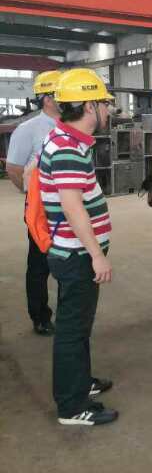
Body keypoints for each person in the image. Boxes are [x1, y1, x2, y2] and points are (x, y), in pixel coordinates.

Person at [39, 68, 117, 426]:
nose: (108, 110)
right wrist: (97, 255)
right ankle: (72, 406)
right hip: (76, 254)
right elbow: (72, 208)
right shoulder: (67, 147)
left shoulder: (67, 140)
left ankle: (80, 382)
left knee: (80, 325)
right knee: (72, 330)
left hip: (74, 251)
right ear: (89, 106)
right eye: (104, 103)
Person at [6, 70, 61, 336]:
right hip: (41, 209)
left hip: (68, 206)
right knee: (39, 265)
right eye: (61, 93)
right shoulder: (28, 130)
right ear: (47, 99)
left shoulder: (70, 126)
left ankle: (67, 312)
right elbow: (14, 168)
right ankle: (40, 316)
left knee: (68, 261)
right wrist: (30, 195)